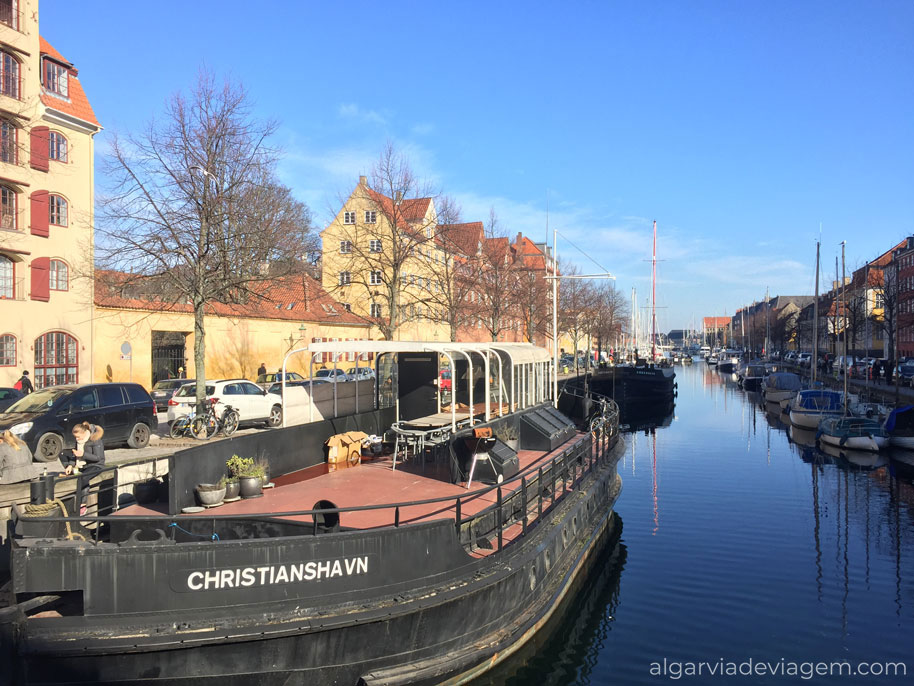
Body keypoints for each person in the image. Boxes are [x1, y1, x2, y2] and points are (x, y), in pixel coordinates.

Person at [60, 422, 105, 516]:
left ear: (85, 433)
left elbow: (98, 458)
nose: (77, 439)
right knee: (62, 453)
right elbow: (75, 455)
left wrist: (83, 454)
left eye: (78, 437)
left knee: (83, 478)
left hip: (95, 465)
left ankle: (82, 505)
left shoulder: (95, 440)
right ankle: (70, 470)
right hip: (82, 465)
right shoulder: (79, 441)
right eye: (75, 437)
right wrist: (70, 465)